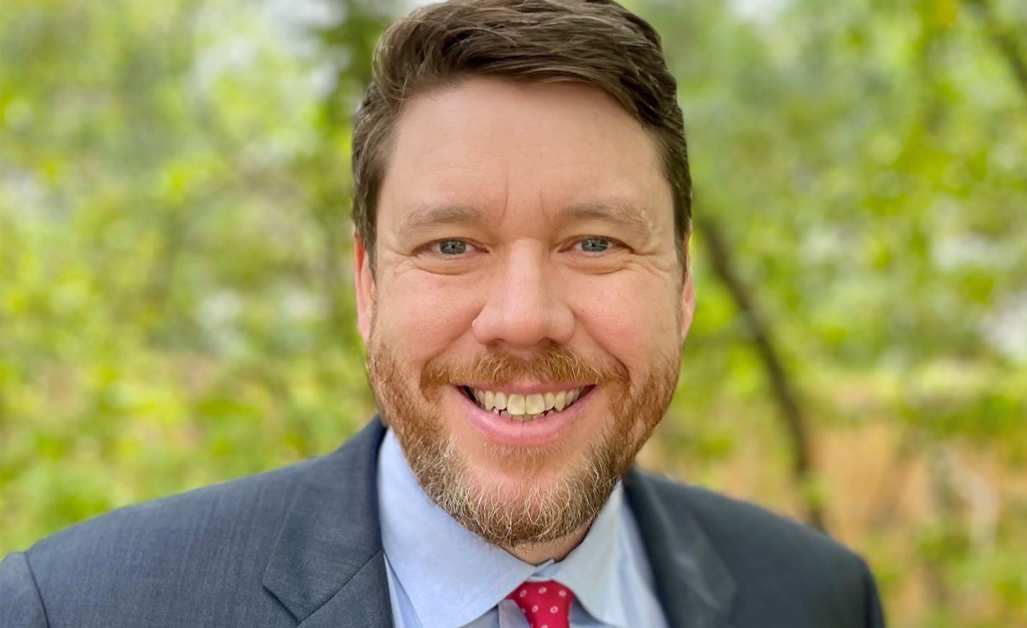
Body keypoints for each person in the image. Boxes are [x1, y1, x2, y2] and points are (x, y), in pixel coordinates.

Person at [0, 1, 885, 626]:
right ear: (367, 287)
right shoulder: (79, 609)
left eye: (595, 243)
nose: (524, 318)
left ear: (683, 286)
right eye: (452, 245)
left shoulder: (818, 598)